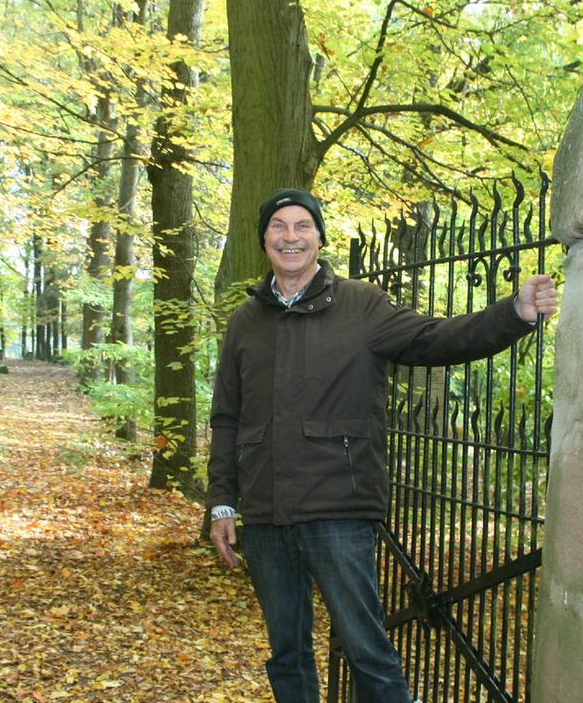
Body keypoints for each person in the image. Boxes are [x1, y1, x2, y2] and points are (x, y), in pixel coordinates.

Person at [206, 188, 559, 703]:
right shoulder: (245, 322)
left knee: (365, 648)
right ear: (263, 240)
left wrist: (515, 313)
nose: (290, 237)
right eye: (278, 226)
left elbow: (436, 339)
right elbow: (227, 419)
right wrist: (222, 500)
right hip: (263, 512)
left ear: (319, 238)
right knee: (287, 653)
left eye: (302, 226)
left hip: (338, 506)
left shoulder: (360, 306)